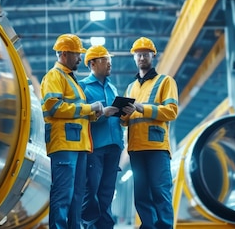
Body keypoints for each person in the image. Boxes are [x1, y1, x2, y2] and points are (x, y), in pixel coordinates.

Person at [41, 33, 104, 229]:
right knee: (63, 193)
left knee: (77, 195)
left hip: (79, 144)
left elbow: (76, 110)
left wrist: (95, 114)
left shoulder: (71, 79)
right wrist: (88, 108)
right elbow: (53, 108)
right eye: (77, 54)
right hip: (64, 144)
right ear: (65, 54)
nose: (79, 58)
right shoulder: (54, 76)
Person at [120, 37, 179, 229]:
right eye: (138, 54)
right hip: (136, 148)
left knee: (160, 192)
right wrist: (122, 115)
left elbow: (171, 111)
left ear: (153, 56)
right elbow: (126, 120)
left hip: (156, 147)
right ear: (134, 58)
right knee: (142, 195)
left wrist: (141, 107)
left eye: (145, 54)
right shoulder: (131, 87)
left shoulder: (165, 82)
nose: (142, 57)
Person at [78, 45, 123, 229]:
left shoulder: (112, 87)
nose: (110, 63)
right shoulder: (83, 87)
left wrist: (124, 112)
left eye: (109, 59)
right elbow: (80, 116)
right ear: (93, 64)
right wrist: (103, 113)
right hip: (94, 146)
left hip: (114, 145)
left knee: (107, 192)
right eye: (105, 59)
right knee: (91, 192)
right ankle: (90, 225)